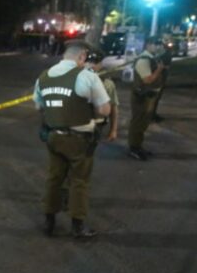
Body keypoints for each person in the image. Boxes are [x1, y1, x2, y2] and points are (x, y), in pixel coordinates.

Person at [34, 40, 111, 238]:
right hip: (80, 140)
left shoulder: (43, 77)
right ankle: (78, 226)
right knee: (79, 181)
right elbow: (104, 109)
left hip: (53, 137)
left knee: (54, 178)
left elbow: (39, 106)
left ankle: (49, 222)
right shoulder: (87, 76)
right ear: (82, 57)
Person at [126, 36, 165, 161]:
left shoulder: (151, 58)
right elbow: (147, 80)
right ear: (148, 45)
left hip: (148, 96)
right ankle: (133, 148)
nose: (158, 47)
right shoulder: (144, 60)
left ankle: (138, 146)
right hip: (141, 97)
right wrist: (159, 70)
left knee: (143, 123)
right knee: (138, 123)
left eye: (159, 44)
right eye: (155, 44)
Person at [85, 51, 119, 142]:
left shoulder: (108, 84)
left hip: (98, 123)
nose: (92, 65)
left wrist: (113, 130)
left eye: (95, 62)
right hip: (78, 123)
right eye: (89, 62)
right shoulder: (76, 78)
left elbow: (113, 107)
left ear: (100, 64)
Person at [151, 33, 174, 122]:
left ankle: (153, 113)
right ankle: (150, 115)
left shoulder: (168, 49)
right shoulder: (160, 48)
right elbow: (156, 60)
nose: (169, 41)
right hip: (158, 74)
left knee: (158, 95)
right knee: (155, 95)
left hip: (163, 75)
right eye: (167, 39)